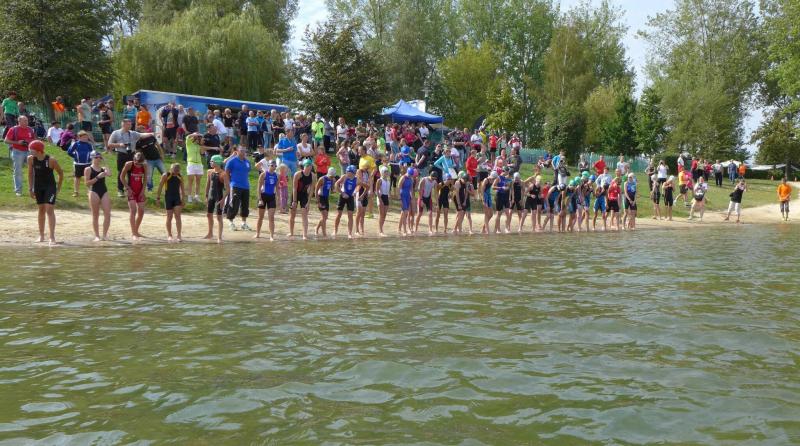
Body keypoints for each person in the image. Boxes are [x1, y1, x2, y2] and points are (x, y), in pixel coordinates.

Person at [26, 141, 63, 245]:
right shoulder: (30, 159)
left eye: (31, 150)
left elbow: (60, 173)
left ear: (39, 151)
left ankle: (52, 237)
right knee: (41, 210)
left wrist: (58, 188)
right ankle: (41, 235)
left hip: (50, 187)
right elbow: (30, 174)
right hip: (38, 187)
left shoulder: (51, 160)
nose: (29, 151)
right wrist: (30, 189)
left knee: (49, 210)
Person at [108, 119, 154, 196]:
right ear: (123, 125)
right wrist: (119, 145)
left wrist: (151, 134)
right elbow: (109, 144)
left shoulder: (133, 133)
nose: (130, 126)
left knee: (131, 172)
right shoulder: (116, 133)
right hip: (121, 154)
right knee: (121, 172)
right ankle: (120, 190)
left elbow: (141, 135)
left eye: (130, 124)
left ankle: (130, 189)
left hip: (131, 155)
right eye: (128, 124)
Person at [4, 115, 37, 196]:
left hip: (29, 151)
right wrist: (18, 142)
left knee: (33, 170)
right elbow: (6, 140)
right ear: (19, 122)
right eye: (24, 121)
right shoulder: (13, 129)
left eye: (27, 120)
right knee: (18, 171)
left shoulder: (30, 129)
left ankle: (34, 189)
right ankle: (18, 190)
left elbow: (35, 139)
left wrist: (29, 141)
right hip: (17, 152)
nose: (26, 122)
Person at [84, 151, 111, 241]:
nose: (98, 159)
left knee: (107, 213)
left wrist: (105, 162)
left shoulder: (103, 168)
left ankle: (105, 235)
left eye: (100, 157)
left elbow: (109, 174)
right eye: (96, 157)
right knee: (95, 215)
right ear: (92, 158)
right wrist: (97, 177)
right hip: (94, 191)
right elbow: (87, 183)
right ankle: (97, 236)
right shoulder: (88, 169)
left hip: (104, 191)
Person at [120, 151, 148, 240]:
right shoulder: (129, 164)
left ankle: (136, 231)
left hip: (140, 190)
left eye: (140, 164)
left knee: (141, 211)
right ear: (134, 159)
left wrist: (143, 191)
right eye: (136, 163)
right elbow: (121, 177)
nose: (138, 165)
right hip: (131, 190)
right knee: (133, 210)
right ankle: (133, 233)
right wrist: (128, 188)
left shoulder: (144, 165)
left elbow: (145, 179)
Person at [225, 146, 252, 231]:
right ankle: (231, 222)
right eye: (241, 150)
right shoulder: (232, 161)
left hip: (246, 186)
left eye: (244, 151)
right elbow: (227, 172)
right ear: (237, 151)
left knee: (245, 205)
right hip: (235, 185)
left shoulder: (247, 162)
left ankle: (244, 223)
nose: (243, 152)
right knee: (234, 204)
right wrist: (229, 183)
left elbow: (247, 171)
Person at [156, 163, 185, 242]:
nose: (176, 172)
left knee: (178, 216)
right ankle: (169, 235)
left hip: (177, 198)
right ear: (171, 169)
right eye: (174, 170)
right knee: (169, 217)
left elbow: (182, 188)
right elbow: (160, 186)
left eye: (177, 171)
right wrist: (158, 198)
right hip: (168, 198)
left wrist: (183, 199)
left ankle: (179, 235)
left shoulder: (180, 176)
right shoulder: (166, 175)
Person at [204, 155, 229, 243]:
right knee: (209, 214)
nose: (210, 162)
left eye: (212, 161)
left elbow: (228, 189)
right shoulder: (209, 172)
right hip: (211, 196)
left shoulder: (223, 174)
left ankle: (219, 237)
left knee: (219, 217)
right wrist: (206, 196)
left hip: (219, 197)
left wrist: (223, 200)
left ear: (217, 162)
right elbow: (208, 184)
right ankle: (210, 233)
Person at [288, 159, 314, 240]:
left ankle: (304, 235)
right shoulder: (298, 174)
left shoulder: (313, 176)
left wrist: (308, 203)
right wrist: (294, 201)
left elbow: (311, 190)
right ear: (304, 166)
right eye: (307, 166)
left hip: (304, 195)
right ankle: (291, 232)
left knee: (304, 214)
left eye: (310, 166)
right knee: (292, 214)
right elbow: (294, 188)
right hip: (295, 194)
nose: (309, 168)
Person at [255, 159, 279, 240]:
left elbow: (277, 188)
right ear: (268, 165)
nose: (273, 167)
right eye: (272, 165)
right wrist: (260, 199)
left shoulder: (276, 175)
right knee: (260, 217)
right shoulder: (264, 174)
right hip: (263, 196)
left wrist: (278, 199)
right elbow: (259, 187)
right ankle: (257, 233)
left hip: (271, 197)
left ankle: (271, 236)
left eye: (275, 166)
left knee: (271, 217)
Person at [334, 165, 358, 239]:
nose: (348, 174)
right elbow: (336, 184)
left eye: (349, 173)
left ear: (353, 173)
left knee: (350, 215)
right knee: (339, 214)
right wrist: (342, 193)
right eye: (347, 172)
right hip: (342, 196)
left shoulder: (357, 179)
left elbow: (366, 186)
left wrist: (358, 193)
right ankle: (335, 231)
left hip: (350, 197)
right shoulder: (344, 177)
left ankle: (349, 233)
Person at [67, 130, 93, 197]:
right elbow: (69, 152)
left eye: (86, 137)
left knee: (88, 178)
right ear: (79, 137)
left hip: (88, 164)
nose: (86, 138)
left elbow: (92, 153)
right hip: (78, 164)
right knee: (77, 177)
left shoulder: (89, 145)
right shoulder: (76, 144)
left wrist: (91, 159)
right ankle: (76, 192)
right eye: (84, 137)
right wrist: (75, 157)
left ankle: (89, 191)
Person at [184, 133, 206, 203]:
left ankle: (197, 196)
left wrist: (202, 144)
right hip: (191, 163)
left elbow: (202, 153)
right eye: (199, 139)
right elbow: (187, 137)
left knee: (198, 181)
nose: (200, 140)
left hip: (199, 164)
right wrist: (195, 134)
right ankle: (189, 196)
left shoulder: (199, 146)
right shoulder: (189, 143)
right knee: (190, 181)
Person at [315, 167, 335, 238]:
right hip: (321, 197)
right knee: (324, 217)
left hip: (326, 198)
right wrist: (318, 201)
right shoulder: (322, 179)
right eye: (330, 176)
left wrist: (334, 190)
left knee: (325, 217)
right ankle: (324, 234)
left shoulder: (332, 180)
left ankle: (316, 228)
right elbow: (316, 190)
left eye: (332, 176)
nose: (331, 177)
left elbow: (332, 190)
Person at [397, 167, 416, 236]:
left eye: (411, 175)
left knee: (403, 213)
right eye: (409, 174)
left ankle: (399, 228)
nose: (410, 176)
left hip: (408, 196)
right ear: (407, 172)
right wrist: (399, 196)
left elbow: (411, 189)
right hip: (403, 196)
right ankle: (404, 230)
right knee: (405, 212)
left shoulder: (411, 179)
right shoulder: (403, 178)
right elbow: (399, 187)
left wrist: (412, 197)